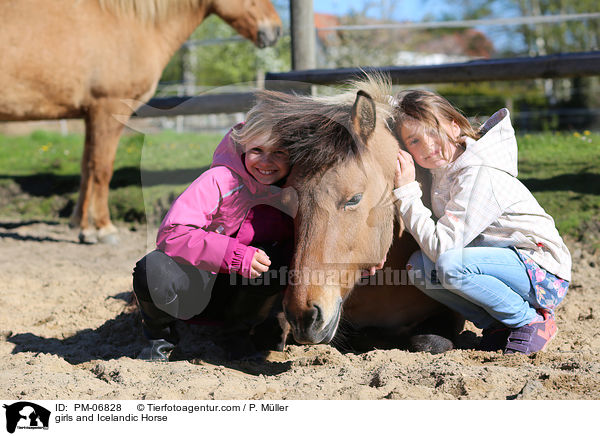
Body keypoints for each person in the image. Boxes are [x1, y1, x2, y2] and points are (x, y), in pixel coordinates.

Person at [391, 89, 571, 354]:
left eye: (433, 131)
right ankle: (497, 324)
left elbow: (443, 248)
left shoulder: (478, 174)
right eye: (414, 141)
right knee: (418, 266)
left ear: (454, 126)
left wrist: (406, 193)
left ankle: (530, 321)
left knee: (450, 264)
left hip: (541, 273)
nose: (427, 146)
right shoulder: (443, 172)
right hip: (504, 265)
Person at [132, 107, 298, 361]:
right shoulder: (219, 180)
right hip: (198, 284)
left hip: (246, 296)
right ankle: (161, 339)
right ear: (243, 148)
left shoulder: (293, 195)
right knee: (152, 269)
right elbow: (172, 233)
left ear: (293, 156)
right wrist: (236, 255)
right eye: (257, 151)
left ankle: (239, 334)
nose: (266, 162)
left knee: (276, 262)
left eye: (279, 153)